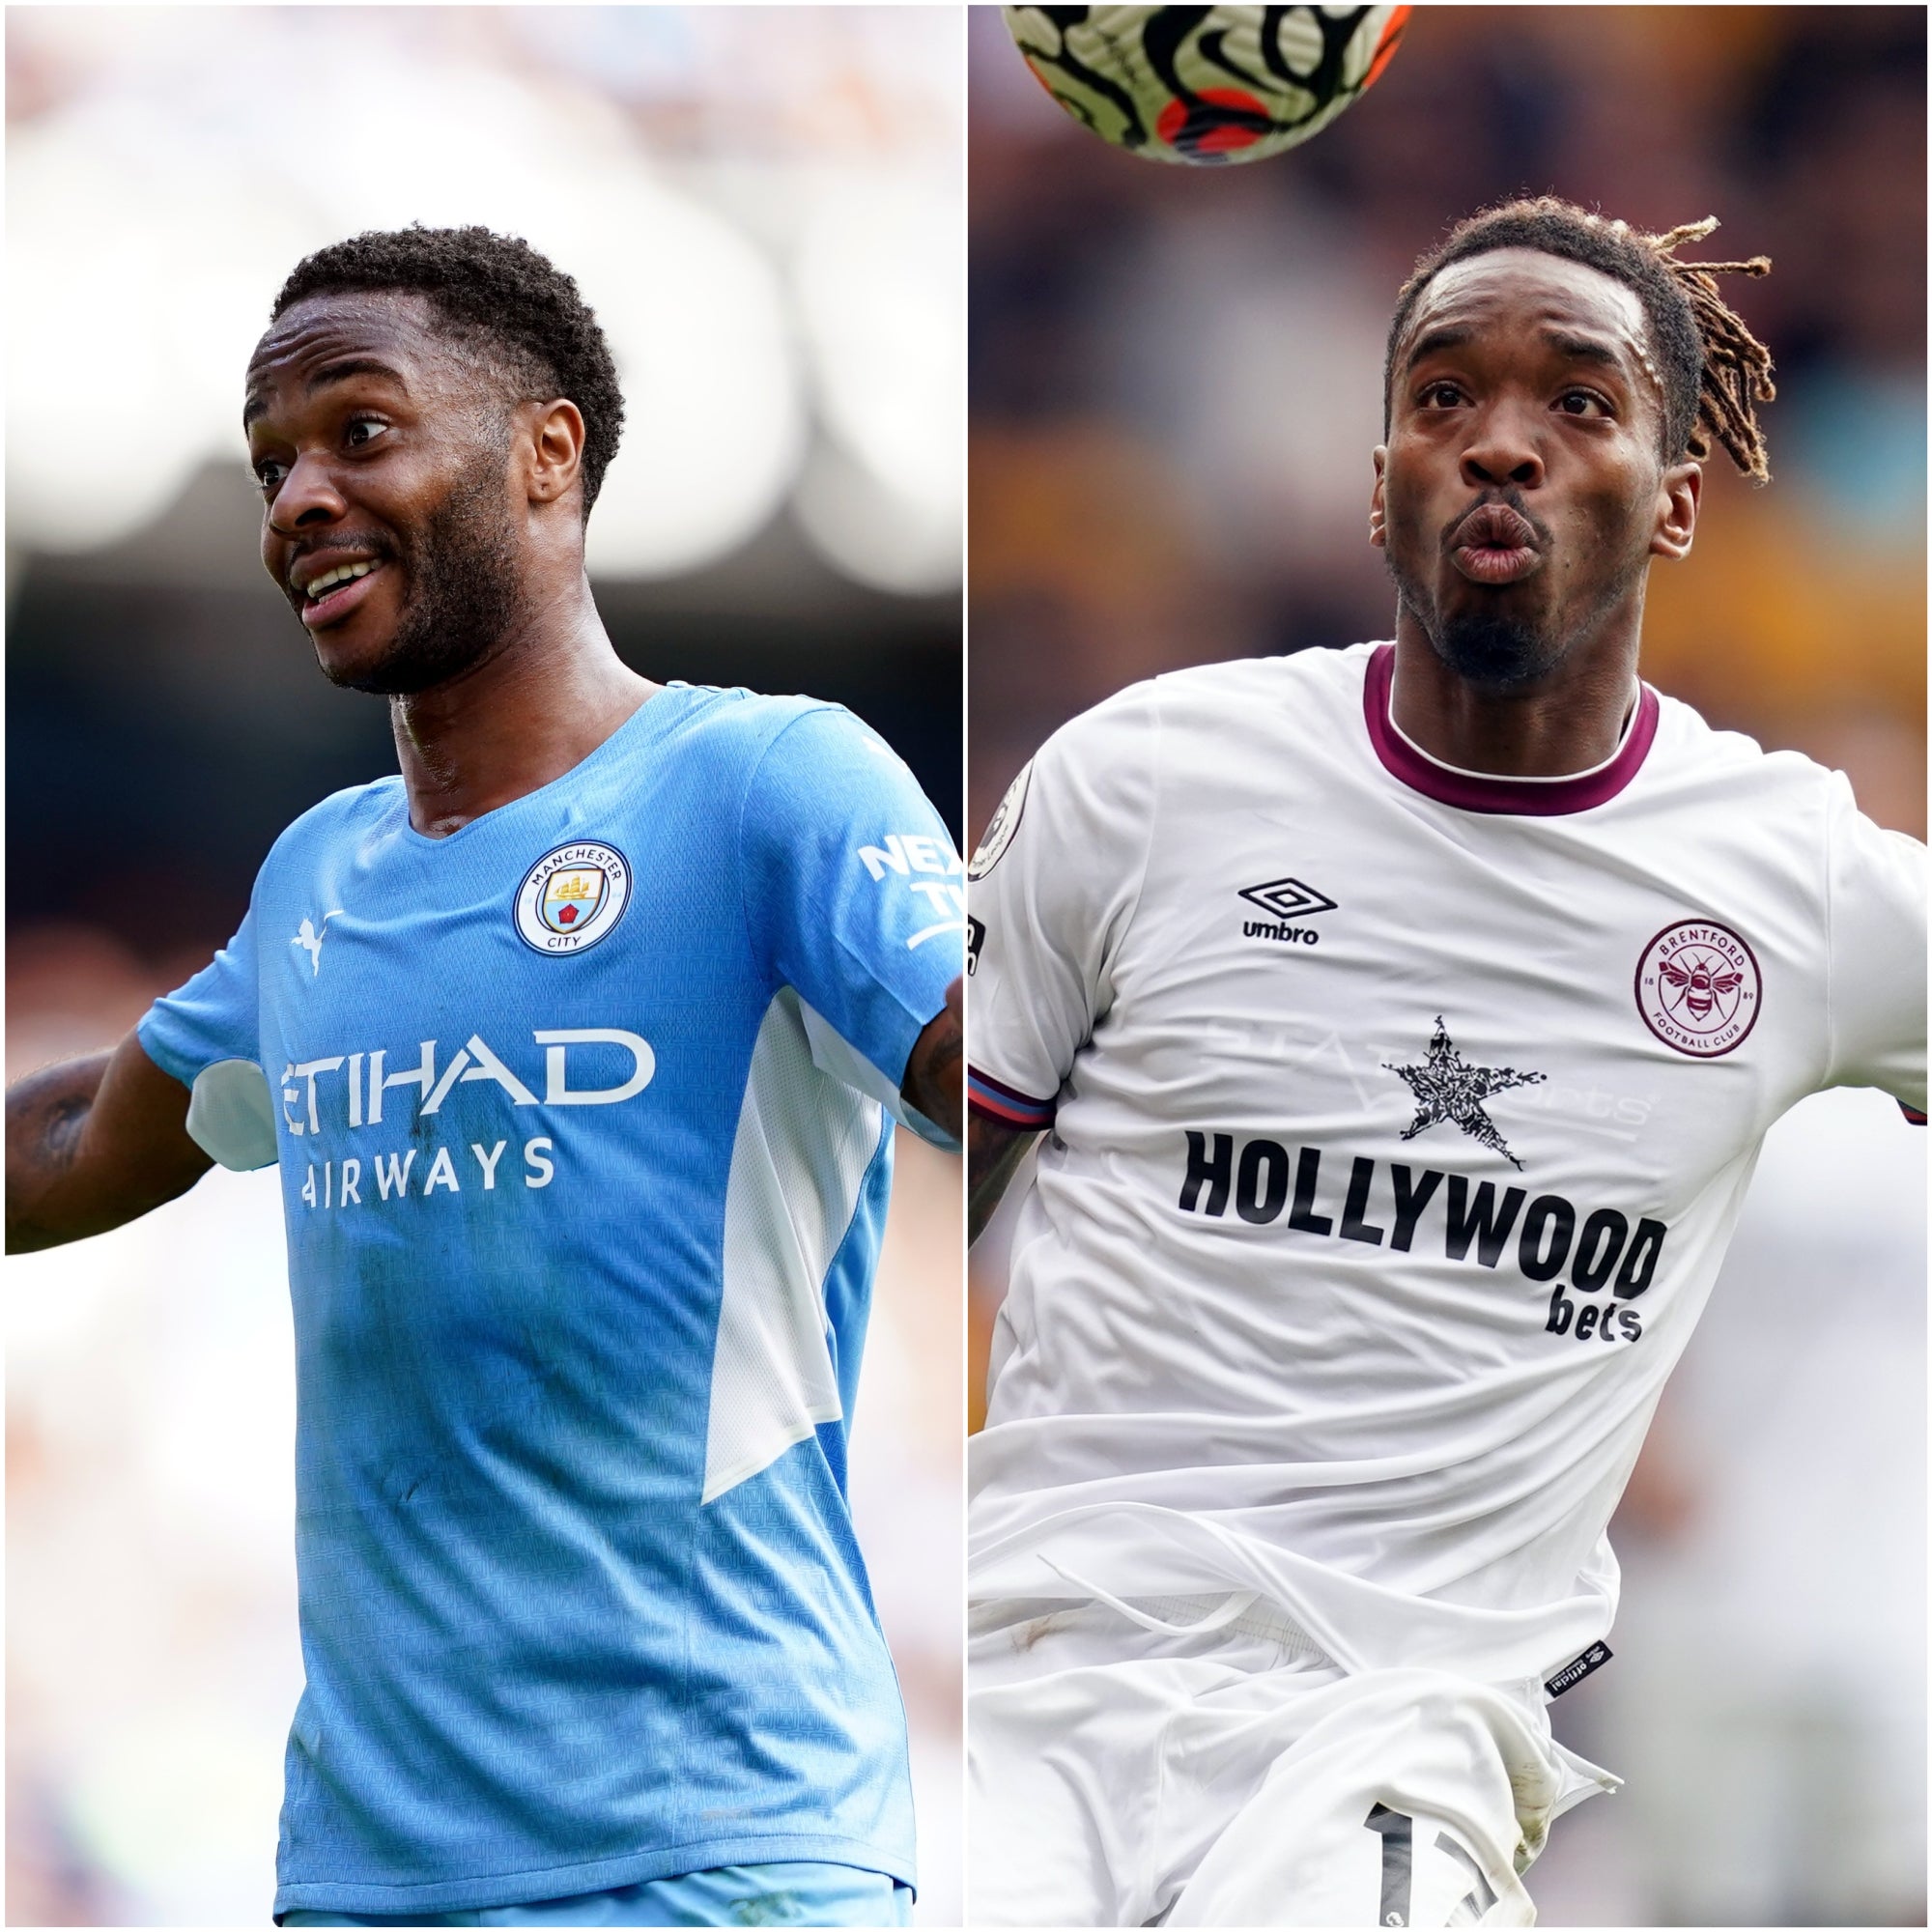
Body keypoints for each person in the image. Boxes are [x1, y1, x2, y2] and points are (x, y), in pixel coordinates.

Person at [962, 197, 1925, 1928]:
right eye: (1442, 396)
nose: (1500, 441)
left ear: (1678, 494)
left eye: (1577, 400)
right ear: (1381, 473)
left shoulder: (1804, 888)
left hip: (1390, 1742)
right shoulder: (1145, 781)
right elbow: (900, 1196)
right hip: (1037, 1685)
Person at [7, 226, 964, 1929]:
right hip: (370, 1875)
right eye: (272, 463)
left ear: (547, 454)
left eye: (357, 433)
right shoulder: (321, 877)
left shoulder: (771, 785)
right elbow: (87, 1131)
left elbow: (1012, 1088)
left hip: (719, 1854)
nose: (298, 497)